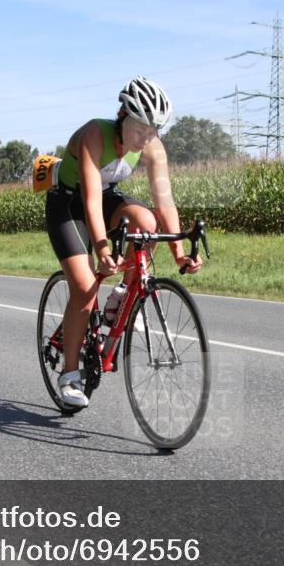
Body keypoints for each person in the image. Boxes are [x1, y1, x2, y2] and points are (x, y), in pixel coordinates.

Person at [43, 76, 202, 408]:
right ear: (122, 116)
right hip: (69, 204)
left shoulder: (153, 148)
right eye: (140, 130)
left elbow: (164, 201)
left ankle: (121, 297)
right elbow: (88, 200)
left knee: (147, 222)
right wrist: (102, 247)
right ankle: (69, 375)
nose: (146, 139)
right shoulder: (94, 135)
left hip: (106, 199)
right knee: (85, 290)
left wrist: (179, 253)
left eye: (153, 131)